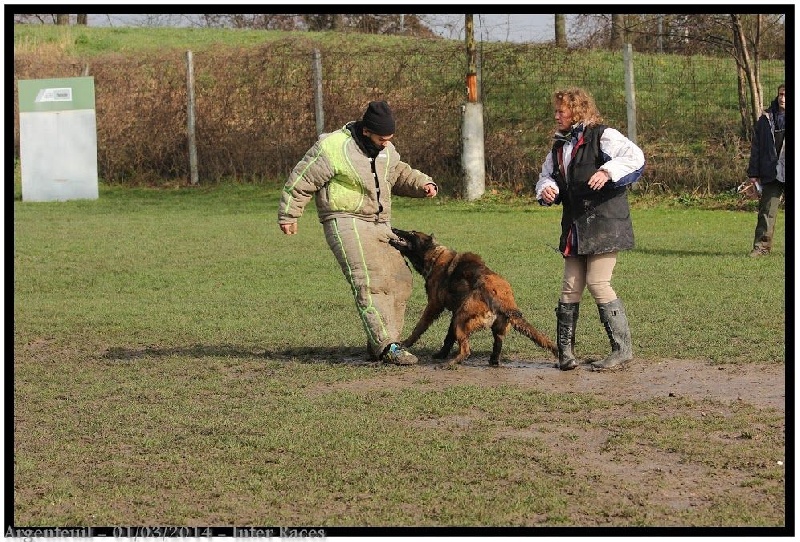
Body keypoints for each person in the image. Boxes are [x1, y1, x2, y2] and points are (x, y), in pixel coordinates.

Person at [278, 100, 438, 365]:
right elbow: (302, 178)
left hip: (379, 222)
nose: (386, 143)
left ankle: (385, 341)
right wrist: (289, 214)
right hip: (345, 220)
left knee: (400, 280)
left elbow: (397, 173)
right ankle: (388, 346)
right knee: (371, 281)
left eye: (390, 139)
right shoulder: (332, 147)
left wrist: (423, 183)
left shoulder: (386, 149)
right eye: (381, 138)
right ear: (366, 132)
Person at [535, 87, 645, 371]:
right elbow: (548, 175)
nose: (556, 115)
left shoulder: (603, 135)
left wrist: (607, 171)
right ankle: (566, 354)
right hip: (575, 224)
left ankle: (622, 350)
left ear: (577, 111)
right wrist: (548, 189)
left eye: (562, 111)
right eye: (556, 111)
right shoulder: (559, 145)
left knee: (598, 283)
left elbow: (635, 157)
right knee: (570, 287)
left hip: (605, 222)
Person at [747, 83, 786, 257]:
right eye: (780, 94)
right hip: (772, 172)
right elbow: (757, 148)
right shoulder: (766, 119)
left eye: (786, 95)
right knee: (766, 213)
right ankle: (761, 248)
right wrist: (754, 174)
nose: (782, 98)